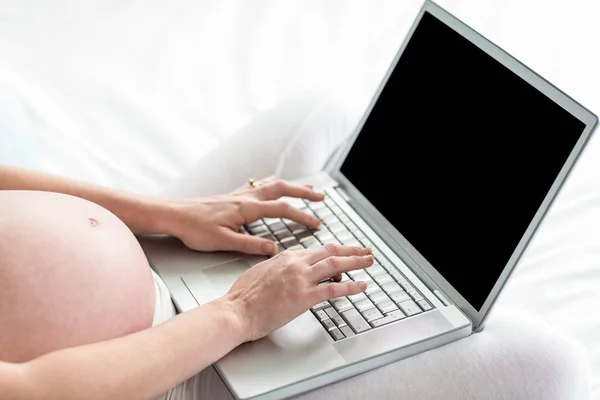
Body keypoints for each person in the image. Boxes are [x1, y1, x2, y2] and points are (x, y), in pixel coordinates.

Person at [0, 92, 590, 400]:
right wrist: (239, 312)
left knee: (322, 114)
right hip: (170, 377)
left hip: (156, 257)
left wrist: (175, 215)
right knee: (546, 361)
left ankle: (384, 279)